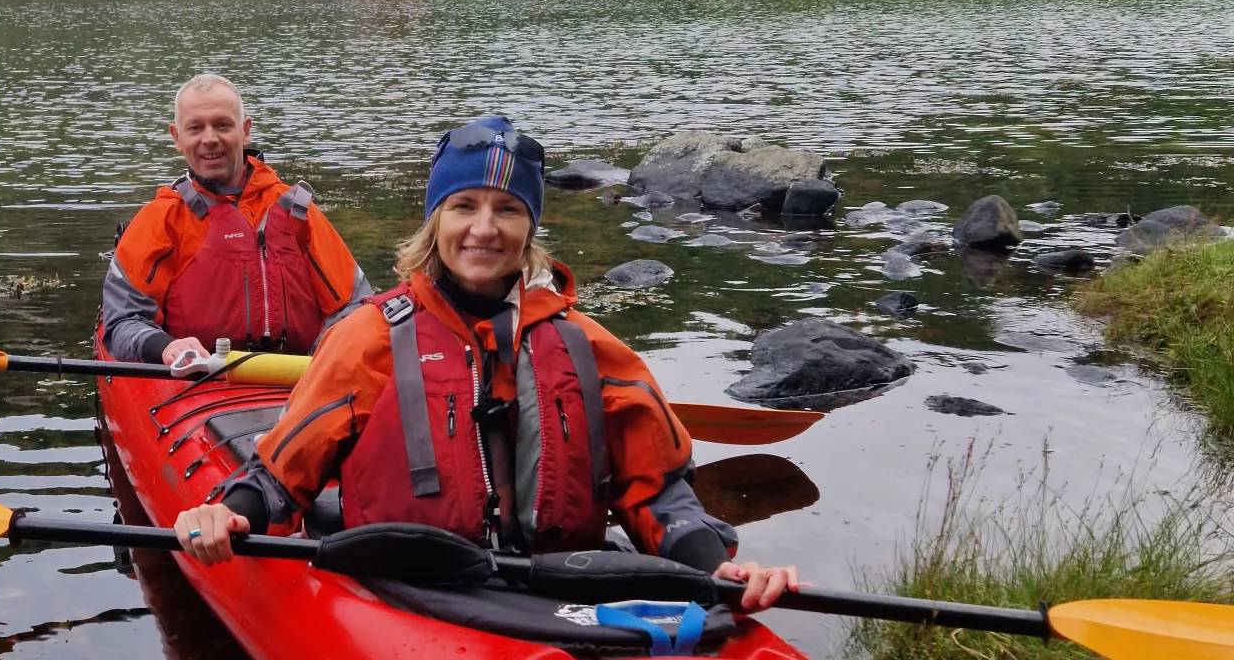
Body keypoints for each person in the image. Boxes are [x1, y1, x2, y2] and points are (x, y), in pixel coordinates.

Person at [174, 113, 798, 609]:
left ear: (530, 230)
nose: (484, 229)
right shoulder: (367, 340)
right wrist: (229, 512)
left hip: (562, 595)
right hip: (412, 592)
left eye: (507, 210)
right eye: (464, 206)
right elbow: (282, 476)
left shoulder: (589, 346)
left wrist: (714, 565)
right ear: (435, 220)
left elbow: (658, 491)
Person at [101, 72, 371, 375]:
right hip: (195, 381)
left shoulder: (297, 212)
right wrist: (164, 346)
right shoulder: (160, 221)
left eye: (222, 125)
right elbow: (124, 322)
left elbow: (354, 306)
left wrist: (326, 359)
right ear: (177, 137)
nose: (209, 138)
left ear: (245, 131)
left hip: (298, 377)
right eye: (195, 128)